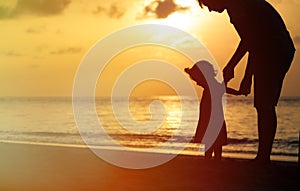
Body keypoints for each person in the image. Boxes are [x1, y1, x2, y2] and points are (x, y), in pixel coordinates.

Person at [197, 0, 295, 164]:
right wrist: (246, 75)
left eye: (208, 5)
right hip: (272, 49)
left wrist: (235, 68)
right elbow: (253, 41)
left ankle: (263, 157)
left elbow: (253, 42)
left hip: (275, 50)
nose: (210, 10)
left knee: (265, 104)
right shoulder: (237, 6)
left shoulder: (238, 7)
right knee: (264, 104)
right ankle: (263, 156)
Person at [185, 61, 227, 160]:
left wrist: (227, 80)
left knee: (211, 142)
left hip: (212, 119)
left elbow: (222, 89)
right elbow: (222, 89)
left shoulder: (210, 86)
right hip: (212, 119)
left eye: (197, 79)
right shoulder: (211, 86)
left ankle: (212, 159)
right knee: (215, 143)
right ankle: (214, 160)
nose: (196, 82)